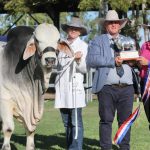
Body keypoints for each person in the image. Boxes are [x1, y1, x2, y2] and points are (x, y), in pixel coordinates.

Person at [86, 10, 135, 150]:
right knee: (106, 121)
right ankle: (106, 148)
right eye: (111, 22)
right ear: (106, 25)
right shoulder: (97, 41)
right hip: (107, 88)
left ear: (120, 25)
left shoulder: (128, 40)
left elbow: (133, 58)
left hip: (127, 87)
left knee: (125, 122)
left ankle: (124, 148)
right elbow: (91, 59)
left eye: (116, 22)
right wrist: (112, 61)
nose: (114, 24)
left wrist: (134, 61)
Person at [54, 16, 88, 150]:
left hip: (74, 88)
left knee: (76, 122)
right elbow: (56, 66)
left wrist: (79, 60)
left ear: (80, 31)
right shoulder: (59, 45)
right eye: (71, 27)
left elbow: (85, 69)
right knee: (66, 122)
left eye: (76, 28)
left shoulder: (83, 46)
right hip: (62, 88)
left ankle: (76, 148)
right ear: (67, 29)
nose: (73, 30)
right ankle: (70, 147)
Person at [136, 24, 150, 125]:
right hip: (145, 85)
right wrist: (138, 63)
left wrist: (148, 63)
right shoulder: (144, 45)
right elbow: (140, 65)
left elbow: (146, 62)